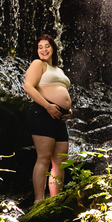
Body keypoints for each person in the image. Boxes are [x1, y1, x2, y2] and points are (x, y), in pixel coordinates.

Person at [23, 34, 72, 205]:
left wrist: (69, 110)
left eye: (47, 46)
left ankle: (55, 201)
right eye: (40, 47)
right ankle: (39, 201)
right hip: (43, 112)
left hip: (60, 117)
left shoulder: (59, 70)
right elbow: (28, 87)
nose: (43, 50)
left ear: (53, 48)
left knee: (60, 162)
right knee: (43, 157)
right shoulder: (38, 64)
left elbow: (61, 91)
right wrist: (48, 106)